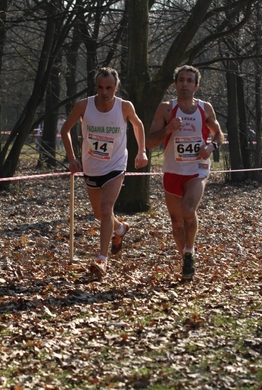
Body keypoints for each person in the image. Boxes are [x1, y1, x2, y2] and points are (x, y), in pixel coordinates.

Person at [61, 67, 148, 278]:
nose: (104, 92)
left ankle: (102, 259)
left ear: (116, 87)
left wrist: (142, 151)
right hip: (91, 167)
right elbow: (65, 130)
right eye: (100, 87)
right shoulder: (84, 105)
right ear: (96, 87)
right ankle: (120, 229)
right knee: (100, 214)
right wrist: (72, 158)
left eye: (109, 87)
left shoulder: (124, 107)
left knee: (107, 206)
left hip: (116, 165)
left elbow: (138, 125)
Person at [146, 65, 224, 281]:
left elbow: (219, 135)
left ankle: (189, 252)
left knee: (188, 209)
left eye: (189, 81)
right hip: (172, 170)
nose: (185, 84)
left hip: (197, 170)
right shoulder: (165, 109)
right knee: (176, 221)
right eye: (181, 80)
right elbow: (150, 142)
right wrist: (167, 130)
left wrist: (211, 148)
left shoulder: (205, 109)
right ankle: (186, 261)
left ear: (196, 86)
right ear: (175, 84)